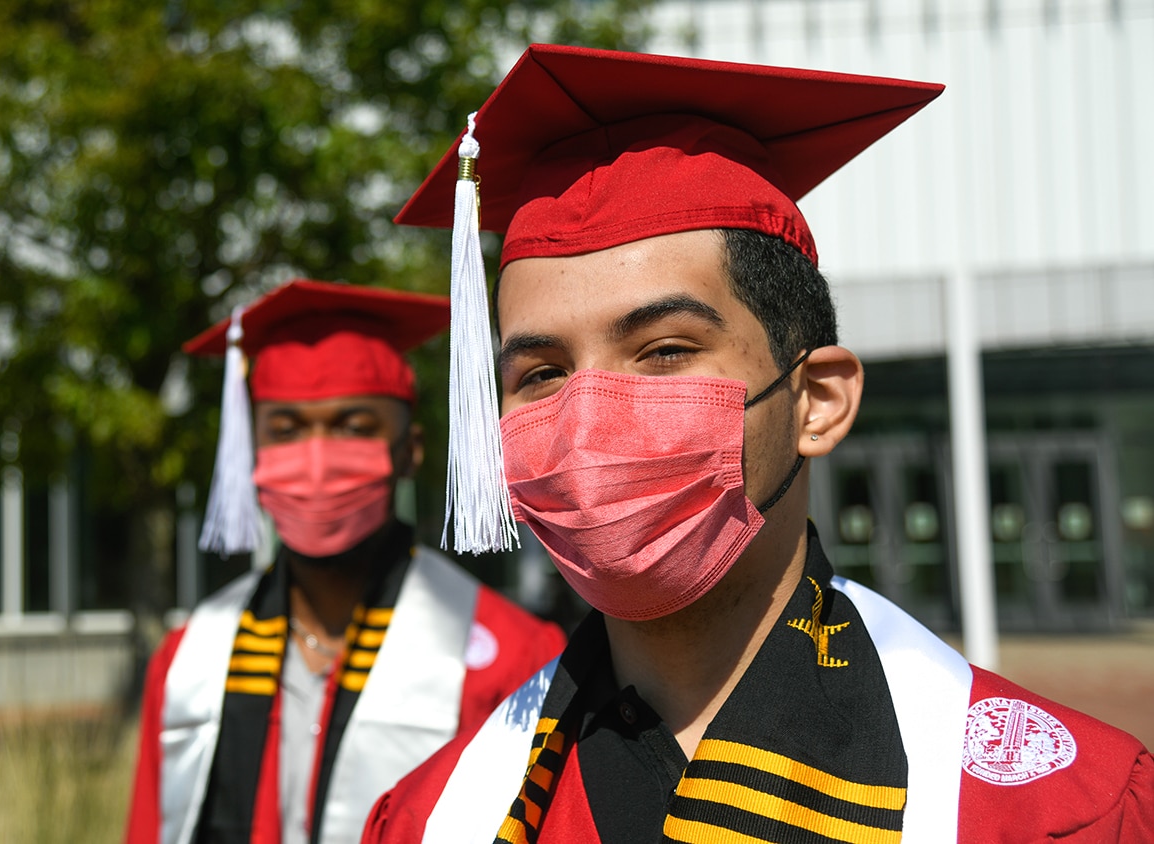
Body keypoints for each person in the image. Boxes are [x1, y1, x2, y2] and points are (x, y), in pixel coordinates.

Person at [362, 45, 1153, 842]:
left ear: (817, 400)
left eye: (666, 351)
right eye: (539, 373)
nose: (584, 416)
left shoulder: (1054, 810)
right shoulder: (438, 814)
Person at [125, 279, 567, 844]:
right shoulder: (189, 658)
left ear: (409, 450)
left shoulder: (513, 660)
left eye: (353, 428)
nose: (315, 458)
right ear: (250, 452)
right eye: (285, 431)